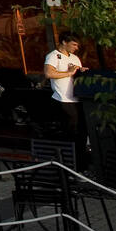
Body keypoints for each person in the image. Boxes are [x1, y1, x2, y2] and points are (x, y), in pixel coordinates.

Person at [45, 33, 86, 165]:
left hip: (76, 99)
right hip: (62, 99)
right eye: (73, 44)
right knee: (69, 132)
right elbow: (49, 73)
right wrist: (68, 73)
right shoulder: (53, 56)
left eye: (77, 45)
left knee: (80, 133)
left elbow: (77, 74)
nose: (76, 47)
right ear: (64, 42)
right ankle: (67, 163)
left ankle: (78, 163)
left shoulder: (75, 58)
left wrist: (81, 71)